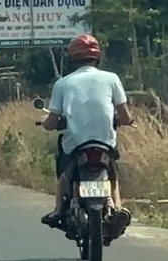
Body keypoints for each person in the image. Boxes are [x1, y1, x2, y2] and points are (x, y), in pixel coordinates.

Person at [39, 34, 133, 231]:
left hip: (75, 144)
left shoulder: (63, 83)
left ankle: (57, 209)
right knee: (112, 172)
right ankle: (117, 207)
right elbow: (125, 116)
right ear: (98, 56)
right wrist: (126, 121)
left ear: (73, 58)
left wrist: (45, 124)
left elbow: (51, 121)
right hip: (105, 143)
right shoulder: (112, 78)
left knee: (64, 171)